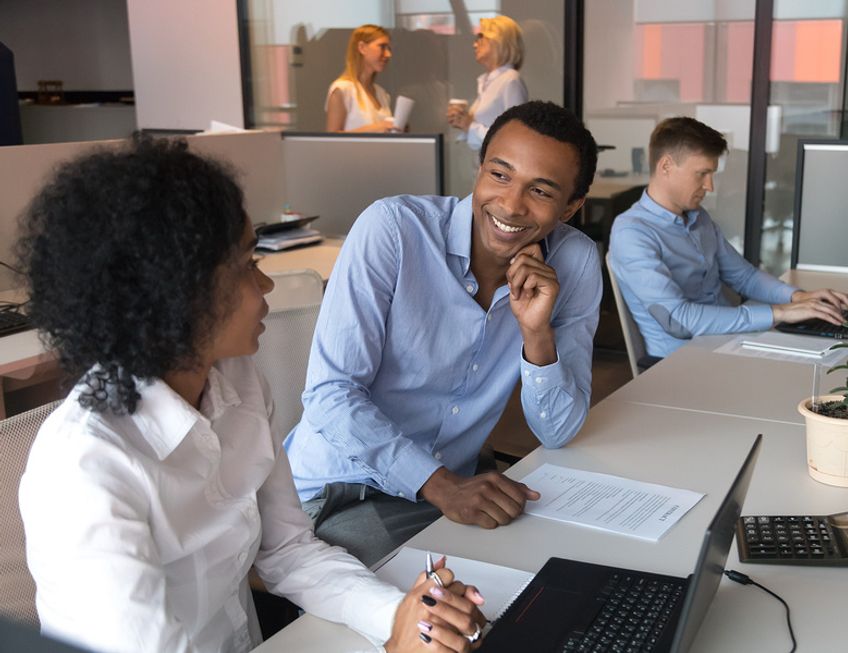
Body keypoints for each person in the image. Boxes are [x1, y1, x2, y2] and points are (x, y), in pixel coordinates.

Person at [17, 136, 485, 653]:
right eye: (245, 265)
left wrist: (401, 615)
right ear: (174, 293)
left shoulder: (237, 381)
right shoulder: (87, 469)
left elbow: (288, 550)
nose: (265, 286)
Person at [287, 101, 601, 566]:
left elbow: (557, 431)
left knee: (567, 571)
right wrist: (441, 485)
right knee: (447, 611)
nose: (511, 204)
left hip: (455, 484)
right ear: (478, 169)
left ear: (572, 206)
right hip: (346, 489)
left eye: (540, 190)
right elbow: (331, 395)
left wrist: (537, 336)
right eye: (499, 175)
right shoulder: (393, 230)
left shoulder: (575, 262)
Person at [609, 117, 848, 364]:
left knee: (835, 352)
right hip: (685, 363)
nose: (710, 186)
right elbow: (679, 320)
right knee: (815, 369)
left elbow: (744, 276)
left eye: (712, 174)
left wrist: (798, 298)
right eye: (702, 174)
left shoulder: (698, 219)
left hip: (732, 342)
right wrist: (779, 313)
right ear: (666, 166)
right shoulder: (632, 233)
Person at [446, 16, 528, 153]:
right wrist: (462, 122)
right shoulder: (488, 81)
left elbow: (515, 138)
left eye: (480, 37)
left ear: (498, 41)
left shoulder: (510, 80)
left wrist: (469, 125)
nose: (475, 44)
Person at [325, 24, 397, 133]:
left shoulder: (381, 94)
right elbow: (332, 140)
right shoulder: (342, 90)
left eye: (389, 49)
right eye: (382, 47)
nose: (388, 54)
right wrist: (377, 128)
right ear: (362, 48)